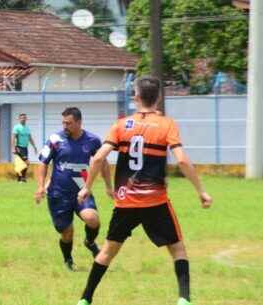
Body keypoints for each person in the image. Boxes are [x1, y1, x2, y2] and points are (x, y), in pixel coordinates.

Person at [74, 77, 213, 305]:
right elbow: (182, 161)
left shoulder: (121, 124)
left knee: (108, 252)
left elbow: (99, 157)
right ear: (158, 98)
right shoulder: (167, 124)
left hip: (125, 202)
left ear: (136, 97)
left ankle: (85, 299)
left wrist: (87, 188)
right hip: (155, 201)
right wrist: (201, 191)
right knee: (177, 249)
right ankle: (184, 299)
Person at [35, 107, 113, 271]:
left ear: (79, 122)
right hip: (58, 194)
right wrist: (41, 186)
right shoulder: (55, 139)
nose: (64, 126)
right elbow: (42, 163)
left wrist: (108, 186)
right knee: (67, 232)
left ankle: (90, 242)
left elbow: (103, 163)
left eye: (68, 123)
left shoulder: (92, 140)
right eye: (63, 122)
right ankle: (68, 259)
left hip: (81, 191)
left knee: (93, 219)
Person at [12, 113, 38, 182]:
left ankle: (20, 178)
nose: (23, 119)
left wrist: (34, 147)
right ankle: (22, 178)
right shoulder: (16, 127)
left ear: (26, 119)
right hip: (19, 147)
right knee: (27, 162)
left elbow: (30, 138)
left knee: (23, 164)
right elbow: (14, 138)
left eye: (24, 118)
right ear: (19, 119)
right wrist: (13, 148)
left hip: (25, 148)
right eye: (22, 118)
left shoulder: (27, 128)